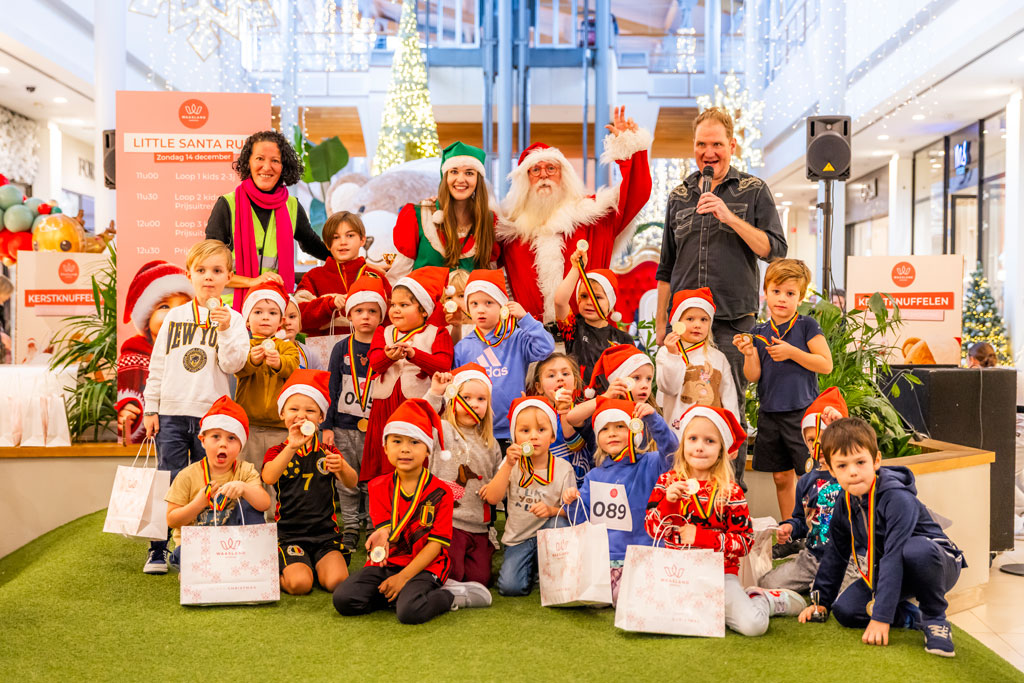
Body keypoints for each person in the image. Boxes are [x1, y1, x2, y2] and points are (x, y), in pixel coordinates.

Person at [655, 107, 788, 484]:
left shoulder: (753, 190)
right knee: (681, 410)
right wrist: (662, 324)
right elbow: (666, 268)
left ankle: (731, 496)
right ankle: (683, 492)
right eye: (701, 144)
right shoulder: (679, 195)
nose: (708, 152)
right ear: (693, 147)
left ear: (732, 145)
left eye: (716, 144)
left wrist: (729, 217)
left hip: (732, 324)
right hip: (683, 329)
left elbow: (775, 250)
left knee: (729, 412)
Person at [799, 417, 966, 657]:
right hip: (895, 567)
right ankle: (912, 616)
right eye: (842, 466)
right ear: (832, 470)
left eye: (860, 462)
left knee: (914, 550)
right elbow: (836, 553)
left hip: (936, 562)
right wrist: (821, 602)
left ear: (876, 460)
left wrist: (881, 617)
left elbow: (894, 555)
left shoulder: (897, 497)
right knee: (846, 610)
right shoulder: (844, 502)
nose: (853, 472)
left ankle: (935, 618)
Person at [645, 405, 806, 636]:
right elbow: (652, 529)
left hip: (720, 575)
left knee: (753, 627)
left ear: (722, 449)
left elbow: (745, 542)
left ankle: (761, 599)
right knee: (650, 619)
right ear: (683, 444)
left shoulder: (731, 491)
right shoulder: (667, 482)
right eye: (693, 438)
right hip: (676, 574)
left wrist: (701, 537)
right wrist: (668, 502)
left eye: (709, 441)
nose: (699, 447)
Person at [141, 240, 249, 574]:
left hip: (211, 416)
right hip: (172, 413)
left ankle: (202, 544)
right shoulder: (174, 317)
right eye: (201, 270)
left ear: (229, 277)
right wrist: (151, 407)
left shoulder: (234, 319)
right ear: (189, 275)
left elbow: (233, 365)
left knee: (210, 481)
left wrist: (225, 329)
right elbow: (158, 364)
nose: (208, 277)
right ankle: (158, 548)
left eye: (217, 270)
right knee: (169, 481)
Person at [333, 399, 492, 623]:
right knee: (343, 599)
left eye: (415, 442)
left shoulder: (441, 492)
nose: (405, 449)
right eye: (397, 441)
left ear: (428, 450)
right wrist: (380, 538)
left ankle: (449, 596)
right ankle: (404, 596)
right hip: (390, 563)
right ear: (385, 447)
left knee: (410, 612)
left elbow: (435, 546)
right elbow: (385, 530)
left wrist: (403, 578)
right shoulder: (377, 486)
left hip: (426, 566)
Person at [497, 106, 652, 323]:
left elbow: (636, 193)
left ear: (564, 175)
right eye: (535, 170)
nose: (544, 175)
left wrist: (630, 149)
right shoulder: (510, 230)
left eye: (551, 168)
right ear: (525, 179)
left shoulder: (593, 216)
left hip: (588, 333)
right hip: (529, 336)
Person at [733, 259, 833, 520]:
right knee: (780, 476)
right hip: (770, 413)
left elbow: (826, 364)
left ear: (800, 297)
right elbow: (752, 375)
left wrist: (792, 353)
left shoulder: (807, 325)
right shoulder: (758, 331)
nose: (782, 298)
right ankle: (790, 528)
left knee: (807, 475)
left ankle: (812, 530)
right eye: (776, 291)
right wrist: (748, 353)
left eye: (790, 293)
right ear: (765, 292)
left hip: (801, 413)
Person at [562, 397, 679, 604]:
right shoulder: (593, 476)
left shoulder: (651, 463)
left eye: (620, 426)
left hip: (644, 557)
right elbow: (583, 521)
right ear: (597, 437)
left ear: (635, 430)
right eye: (605, 429)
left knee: (624, 598)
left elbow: (672, 451)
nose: (612, 433)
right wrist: (572, 502)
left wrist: (653, 420)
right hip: (605, 560)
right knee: (590, 595)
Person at [204, 130, 330, 308]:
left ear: (284, 167)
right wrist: (252, 282)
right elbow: (209, 267)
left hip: (273, 307)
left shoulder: (292, 206)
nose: (267, 167)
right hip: (230, 310)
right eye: (260, 159)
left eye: (275, 161)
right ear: (248, 162)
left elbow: (312, 244)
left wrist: (352, 262)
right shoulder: (227, 205)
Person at [263, 370, 359, 594]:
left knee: (337, 582)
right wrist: (292, 446)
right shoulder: (278, 451)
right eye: (293, 409)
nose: (301, 416)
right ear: (282, 413)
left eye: (310, 410)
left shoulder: (328, 451)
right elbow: (269, 477)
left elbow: (352, 482)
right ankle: (280, 571)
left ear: (321, 417)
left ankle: (314, 564)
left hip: (325, 535)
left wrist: (342, 467)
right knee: (300, 585)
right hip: (289, 536)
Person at [760, 387, 860, 591]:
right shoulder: (806, 481)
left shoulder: (853, 475)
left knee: (831, 594)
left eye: (824, 438)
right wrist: (790, 528)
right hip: (812, 557)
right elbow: (801, 520)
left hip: (847, 559)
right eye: (811, 440)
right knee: (767, 584)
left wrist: (844, 430)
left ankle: (825, 586)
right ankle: (816, 582)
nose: (818, 446)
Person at [361, 267, 454, 485]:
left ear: (424, 310)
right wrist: (388, 357)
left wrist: (414, 355)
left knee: (416, 460)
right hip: (385, 407)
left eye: (404, 305)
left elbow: (443, 365)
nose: (395, 310)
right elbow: (375, 363)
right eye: (393, 304)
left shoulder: (438, 333)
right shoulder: (383, 332)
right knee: (386, 462)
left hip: (418, 406)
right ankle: (385, 499)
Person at [323, 275, 389, 554]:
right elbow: (332, 387)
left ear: (381, 316)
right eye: (359, 310)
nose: (365, 316)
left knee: (373, 480)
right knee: (345, 479)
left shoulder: (387, 345)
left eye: (372, 311)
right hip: (344, 426)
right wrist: (327, 425)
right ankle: (350, 526)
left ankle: (374, 525)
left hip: (376, 427)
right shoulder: (341, 348)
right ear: (349, 314)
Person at [453, 269, 555, 450]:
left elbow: (546, 348)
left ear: (503, 307)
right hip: (477, 430)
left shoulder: (516, 338)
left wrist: (525, 319)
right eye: (474, 304)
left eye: (488, 303)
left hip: (514, 428)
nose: (481, 309)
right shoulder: (463, 347)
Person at [482, 397, 574, 596]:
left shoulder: (563, 468)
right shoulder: (511, 464)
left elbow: (572, 512)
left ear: (552, 436)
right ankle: (533, 567)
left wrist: (551, 510)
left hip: (549, 533)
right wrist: (508, 465)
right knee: (510, 587)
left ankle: (546, 568)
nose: (533, 436)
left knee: (559, 523)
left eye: (541, 430)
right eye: (525, 431)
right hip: (519, 539)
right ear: (514, 437)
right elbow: (492, 499)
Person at [164, 396, 270, 569]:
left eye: (231, 438)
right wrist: (199, 503)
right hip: (197, 546)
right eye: (216, 436)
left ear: (241, 445)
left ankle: (241, 561)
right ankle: (204, 568)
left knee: (250, 505)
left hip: (233, 545)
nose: (223, 444)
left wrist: (244, 488)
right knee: (181, 555)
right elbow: (172, 520)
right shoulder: (187, 475)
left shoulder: (245, 470)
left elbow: (264, 504)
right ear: (203, 440)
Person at [425, 366, 503, 586]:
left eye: (481, 399)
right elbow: (419, 422)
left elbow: (498, 482)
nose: (474, 404)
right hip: (447, 524)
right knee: (453, 573)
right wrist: (435, 393)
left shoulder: (491, 444)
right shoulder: (442, 430)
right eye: (466, 397)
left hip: (478, 525)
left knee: (481, 579)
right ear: (453, 399)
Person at [387, 142, 499, 283]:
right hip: (424, 297)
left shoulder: (489, 221)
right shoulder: (418, 216)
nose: (460, 179)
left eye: (469, 173)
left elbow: (491, 279)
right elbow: (399, 276)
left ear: (478, 180)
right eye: (454, 171)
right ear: (445, 176)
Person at [116, 261, 192, 444]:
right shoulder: (134, 358)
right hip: (152, 435)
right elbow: (128, 396)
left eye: (184, 306)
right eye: (164, 307)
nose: (174, 314)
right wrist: (127, 411)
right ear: (147, 320)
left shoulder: (196, 353)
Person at [656, 287, 739, 437]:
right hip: (676, 435)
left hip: (710, 436)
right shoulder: (665, 353)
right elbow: (669, 388)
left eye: (704, 319)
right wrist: (673, 355)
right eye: (690, 319)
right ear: (677, 323)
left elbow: (729, 399)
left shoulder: (718, 358)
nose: (697, 325)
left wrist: (731, 434)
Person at [235, 282, 300, 469]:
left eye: (272, 313)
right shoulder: (243, 346)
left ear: (281, 321)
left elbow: (293, 368)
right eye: (258, 312)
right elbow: (237, 369)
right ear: (247, 320)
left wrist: (279, 363)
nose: (265, 317)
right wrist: (251, 361)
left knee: (277, 475)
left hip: (280, 427)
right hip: (249, 425)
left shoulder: (287, 346)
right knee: (248, 473)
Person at [294, 211, 389, 338]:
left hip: (369, 348)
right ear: (327, 244)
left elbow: (390, 319)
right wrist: (328, 304)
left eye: (350, 235)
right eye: (335, 237)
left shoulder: (376, 276)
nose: (343, 242)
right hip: (324, 349)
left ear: (362, 240)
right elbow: (297, 317)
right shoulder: (313, 277)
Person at [554, 246, 635, 383]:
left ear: (610, 302)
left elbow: (632, 375)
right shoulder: (572, 327)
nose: (589, 302)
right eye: (584, 296)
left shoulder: (623, 339)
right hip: (577, 396)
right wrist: (576, 268)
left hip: (611, 396)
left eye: (597, 297)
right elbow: (559, 302)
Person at [527, 353, 594, 488]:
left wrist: (564, 410)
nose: (560, 378)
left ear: (575, 382)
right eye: (551, 375)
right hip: (548, 487)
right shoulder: (537, 418)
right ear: (539, 387)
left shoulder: (582, 413)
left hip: (579, 486)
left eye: (565, 374)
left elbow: (575, 445)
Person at [281, 297, 323, 370]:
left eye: (292, 317)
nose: (287, 322)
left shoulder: (309, 354)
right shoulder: (266, 352)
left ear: (300, 321)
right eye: (281, 318)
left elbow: (320, 376)